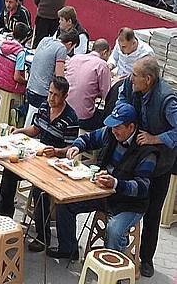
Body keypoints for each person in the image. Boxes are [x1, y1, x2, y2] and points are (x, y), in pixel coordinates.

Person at [44, 103, 157, 260]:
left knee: (114, 231)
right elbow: (88, 138)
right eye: (112, 126)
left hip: (130, 204)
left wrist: (116, 183)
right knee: (65, 203)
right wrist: (77, 147)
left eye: (117, 127)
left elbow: (142, 187)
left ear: (131, 127)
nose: (113, 130)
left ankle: (114, 271)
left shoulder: (146, 152)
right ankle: (68, 249)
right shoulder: (110, 133)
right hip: (103, 193)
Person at [0, 76, 79, 250]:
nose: (51, 98)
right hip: (36, 156)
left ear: (64, 96)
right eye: (50, 93)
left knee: (39, 191)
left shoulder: (71, 118)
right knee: (9, 173)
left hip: (55, 164)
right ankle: (4, 217)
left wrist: (57, 151)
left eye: (56, 95)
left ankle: (43, 237)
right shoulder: (44, 107)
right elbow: (36, 129)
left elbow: (71, 148)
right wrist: (20, 131)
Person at [117, 56, 177, 277]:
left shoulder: (167, 99)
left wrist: (154, 138)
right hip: (136, 155)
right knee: (127, 196)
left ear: (148, 79)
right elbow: (122, 97)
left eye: (135, 76)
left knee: (152, 212)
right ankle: (119, 247)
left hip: (160, 162)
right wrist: (125, 114)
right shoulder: (131, 84)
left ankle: (147, 259)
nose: (131, 79)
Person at [24, 30, 79, 128]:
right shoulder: (61, 49)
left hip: (30, 88)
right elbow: (59, 79)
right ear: (70, 44)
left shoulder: (46, 39)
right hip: (42, 93)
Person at [66, 39, 112, 131]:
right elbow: (107, 95)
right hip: (83, 118)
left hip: (65, 110)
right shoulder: (102, 65)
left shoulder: (75, 58)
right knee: (107, 119)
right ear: (105, 52)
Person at [0, 22, 31, 96]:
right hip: (9, 87)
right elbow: (17, 77)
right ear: (25, 37)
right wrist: (27, 82)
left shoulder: (3, 45)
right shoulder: (20, 53)